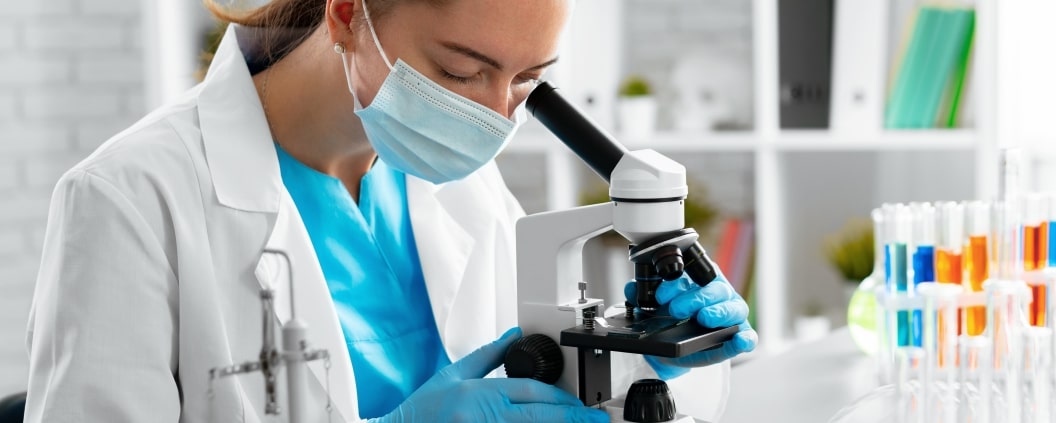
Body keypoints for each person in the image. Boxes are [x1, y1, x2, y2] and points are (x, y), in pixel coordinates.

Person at [23, 0, 758, 421]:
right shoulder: (130, 201)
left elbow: (540, 399)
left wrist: (654, 365)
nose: (494, 115)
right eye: (461, 71)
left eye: (528, 80)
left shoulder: (460, 188)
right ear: (347, 13)